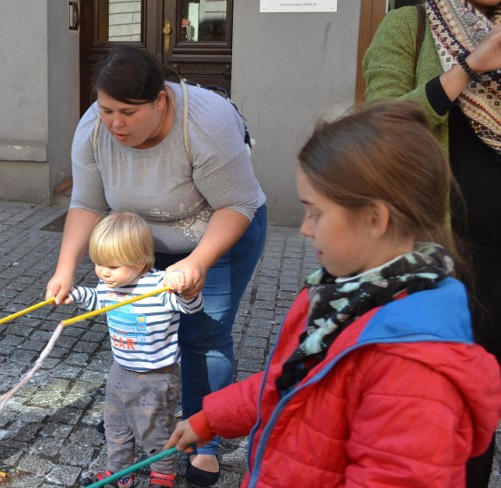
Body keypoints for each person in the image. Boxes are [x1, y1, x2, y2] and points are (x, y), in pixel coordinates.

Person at [165, 102, 501, 487]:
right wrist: (212, 417)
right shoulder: (345, 296)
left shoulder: (413, 367)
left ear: (375, 218)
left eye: (316, 213)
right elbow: (294, 382)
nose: (305, 229)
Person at [46, 45, 267, 487]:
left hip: (218, 230)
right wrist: (65, 268)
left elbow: (237, 203)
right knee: (143, 327)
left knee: (203, 336)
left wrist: (198, 262)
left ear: (161, 99)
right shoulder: (93, 129)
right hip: (140, 242)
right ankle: (137, 412)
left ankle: (204, 440)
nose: (115, 124)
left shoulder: (207, 123)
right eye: (106, 109)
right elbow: (87, 202)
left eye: (128, 111)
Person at [362, 0, 501, 484]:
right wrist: (472, 65)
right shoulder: (410, 26)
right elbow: (380, 122)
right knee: (437, 397)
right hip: (441, 255)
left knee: (483, 402)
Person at [57, 212, 203, 487]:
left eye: (112, 265)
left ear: (140, 262)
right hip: (121, 370)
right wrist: (73, 293)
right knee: (116, 426)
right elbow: (97, 299)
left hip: (156, 376)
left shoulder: (160, 287)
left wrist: (187, 292)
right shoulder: (110, 284)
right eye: (98, 263)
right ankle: (120, 473)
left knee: (153, 432)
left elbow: (191, 308)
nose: (103, 272)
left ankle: (163, 476)